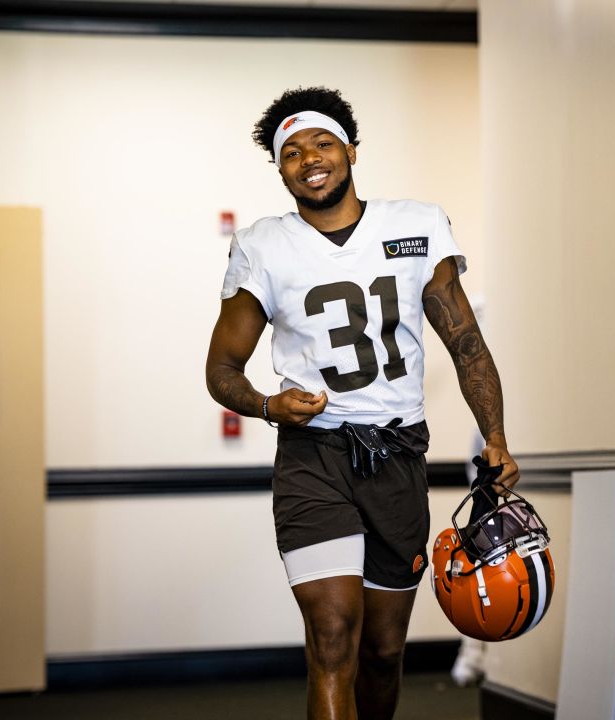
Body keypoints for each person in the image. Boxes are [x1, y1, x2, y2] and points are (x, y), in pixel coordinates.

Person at [205, 86, 519, 720]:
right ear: (280, 168)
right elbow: (221, 369)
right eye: (291, 151)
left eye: (322, 142)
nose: (310, 158)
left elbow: (466, 345)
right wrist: (270, 405)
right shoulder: (263, 244)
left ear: (350, 148)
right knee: (332, 637)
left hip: (399, 455)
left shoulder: (417, 224)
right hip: (313, 456)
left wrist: (496, 436)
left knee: (381, 650)